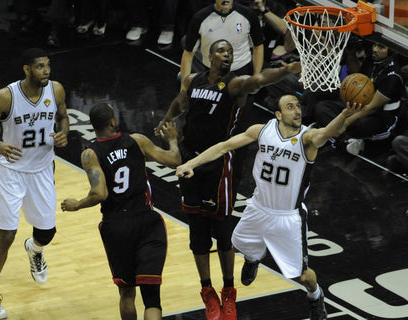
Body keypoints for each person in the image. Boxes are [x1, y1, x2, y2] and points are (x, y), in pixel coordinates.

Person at [175, 95, 363, 320]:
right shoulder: (262, 131)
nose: (297, 111)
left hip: (287, 217)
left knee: (302, 276)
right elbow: (225, 146)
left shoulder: (307, 139)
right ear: (278, 115)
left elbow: (327, 133)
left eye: (298, 106)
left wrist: (343, 115)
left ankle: (315, 296)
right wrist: (191, 163)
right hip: (257, 208)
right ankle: (253, 258)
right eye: (290, 107)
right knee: (235, 245)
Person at [154, 39, 301, 320]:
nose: (227, 55)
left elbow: (257, 79)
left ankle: (229, 292)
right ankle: (207, 292)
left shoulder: (234, 85)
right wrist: (166, 118)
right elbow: (180, 103)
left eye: (231, 52)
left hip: (220, 163)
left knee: (221, 232)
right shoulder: (192, 80)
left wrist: (285, 71)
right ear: (208, 56)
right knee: (197, 231)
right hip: (191, 159)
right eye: (221, 51)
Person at [0, 48, 69, 319]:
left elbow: (62, 116)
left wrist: (64, 133)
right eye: (40, 66)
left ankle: (34, 249)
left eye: (47, 65)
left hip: (42, 170)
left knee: (46, 233)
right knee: (7, 235)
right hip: (11, 173)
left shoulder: (56, 89)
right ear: (26, 69)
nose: (46, 71)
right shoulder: (6, 96)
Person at [60, 103, 181, 320]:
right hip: (146, 221)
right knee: (152, 298)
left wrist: (77, 204)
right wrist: (172, 140)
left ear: (94, 126)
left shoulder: (90, 154)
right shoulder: (137, 141)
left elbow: (99, 194)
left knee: (126, 293)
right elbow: (174, 161)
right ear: (113, 121)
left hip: (116, 226)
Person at [336, 39, 406, 155]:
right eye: (375, 44)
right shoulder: (371, 61)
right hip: (360, 107)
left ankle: (363, 144)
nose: (375, 49)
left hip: (382, 118)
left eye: (381, 47)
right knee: (324, 106)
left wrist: (344, 122)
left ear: (391, 51)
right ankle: (344, 137)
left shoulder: (393, 77)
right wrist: (351, 53)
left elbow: (371, 108)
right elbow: (355, 75)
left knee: (357, 125)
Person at [180, 0, 265, 83]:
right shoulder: (200, 18)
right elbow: (188, 53)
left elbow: (258, 46)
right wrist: (184, 88)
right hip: (211, 73)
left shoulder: (248, 15)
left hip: (242, 72)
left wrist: (256, 77)